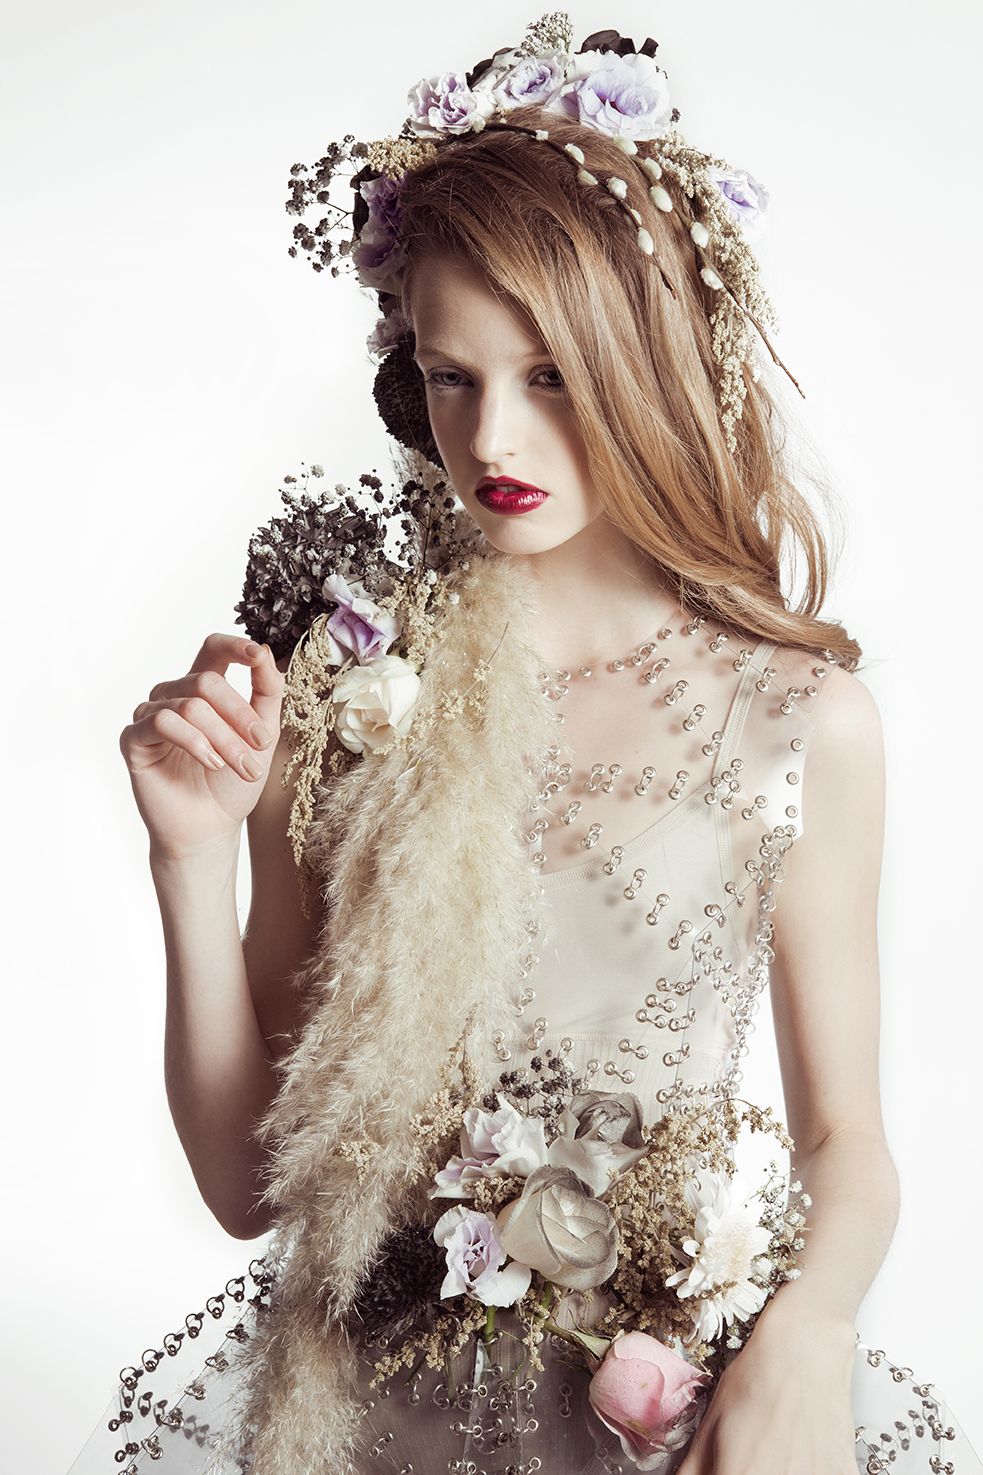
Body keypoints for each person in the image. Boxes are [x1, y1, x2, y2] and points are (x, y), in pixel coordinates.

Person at [73, 16, 979, 1475]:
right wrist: (189, 860)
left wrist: (811, 1336)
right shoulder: (347, 693)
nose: (492, 436)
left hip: (660, 1423)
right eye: (452, 376)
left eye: (551, 374)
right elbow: (249, 1187)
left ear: (647, 364)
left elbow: (848, 1144)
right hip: (369, 1426)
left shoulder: (800, 721)